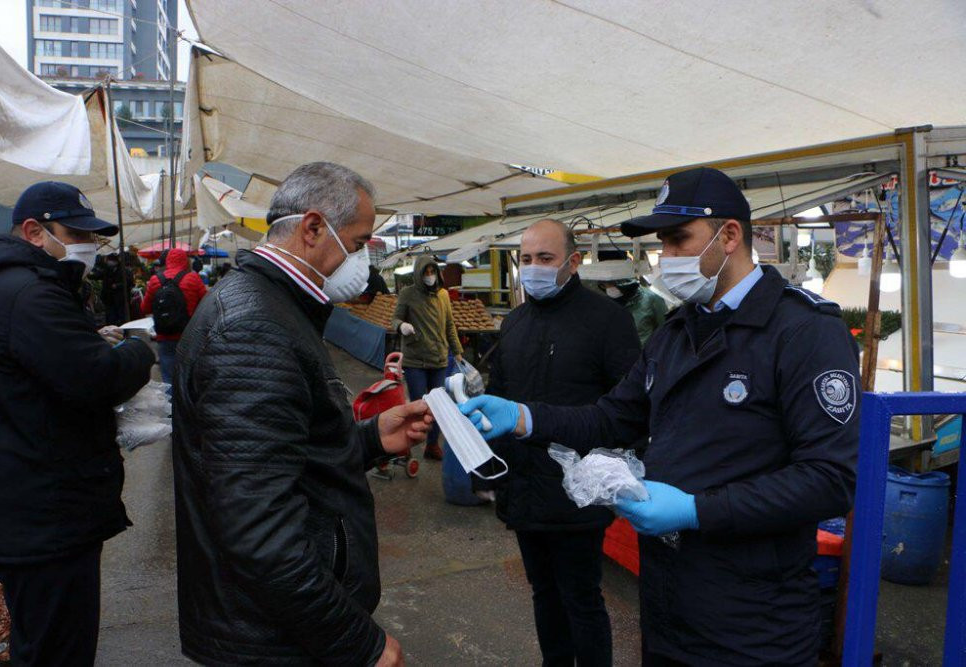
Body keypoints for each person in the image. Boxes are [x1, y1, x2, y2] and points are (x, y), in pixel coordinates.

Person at [463, 167, 860, 666]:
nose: (666, 259)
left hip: (756, 619)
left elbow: (828, 480)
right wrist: (523, 417)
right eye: (663, 245)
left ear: (730, 235)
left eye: (678, 241)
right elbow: (611, 419)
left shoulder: (803, 333)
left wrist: (697, 510)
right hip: (670, 604)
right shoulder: (678, 333)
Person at [171, 162, 432, 666]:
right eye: (357, 245)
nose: (360, 262)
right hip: (270, 638)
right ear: (313, 228)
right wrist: (359, 644)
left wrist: (373, 437)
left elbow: (286, 459)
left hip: (272, 625)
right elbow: (260, 533)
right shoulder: (253, 328)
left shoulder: (274, 308)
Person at [0, 181, 155, 666]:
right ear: (34, 231)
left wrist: (92, 337)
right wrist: (137, 349)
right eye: (78, 234)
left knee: (40, 642)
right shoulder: (29, 292)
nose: (89, 247)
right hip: (43, 516)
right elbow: (97, 377)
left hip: (25, 504)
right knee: (57, 651)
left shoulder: (10, 286)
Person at [487, 219, 640, 666]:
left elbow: (628, 411)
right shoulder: (515, 322)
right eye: (526, 259)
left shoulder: (608, 321)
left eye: (545, 258)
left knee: (581, 597)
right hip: (524, 488)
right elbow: (500, 396)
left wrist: (613, 478)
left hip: (577, 493)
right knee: (543, 593)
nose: (533, 268)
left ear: (574, 262)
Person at [392, 255, 464, 461]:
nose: (430, 276)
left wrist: (457, 352)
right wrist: (401, 326)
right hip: (415, 361)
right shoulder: (407, 294)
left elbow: (450, 325)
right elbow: (394, 319)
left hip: (439, 359)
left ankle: (432, 445)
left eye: (433, 272)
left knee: (438, 407)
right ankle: (405, 446)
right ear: (418, 273)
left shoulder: (443, 295)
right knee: (417, 405)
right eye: (426, 273)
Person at [141, 247, 207, 385]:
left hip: (165, 336)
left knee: (168, 379)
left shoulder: (155, 280)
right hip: (190, 335)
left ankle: (171, 405)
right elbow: (207, 305)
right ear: (185, 261)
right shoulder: (193, 278)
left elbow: (144, 308)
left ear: (167, 261)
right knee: (190, 377)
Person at [599, 275, 669, 346]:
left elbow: (666, 331)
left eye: (610, 283)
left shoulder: (651, 298)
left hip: (649, 353)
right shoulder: (607, 305)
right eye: (604, 285)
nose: (608, 288)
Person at [90, 252, 132, 325]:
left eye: (112, 260)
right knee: (110, 318)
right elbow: (97, 276)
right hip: (109, 299)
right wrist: (88, 274)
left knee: (121, 318)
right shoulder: (107, 270)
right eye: (109, 260)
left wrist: (117, 285)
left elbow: (130, 283)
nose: (110, 262)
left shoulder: (124, 270)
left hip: (120, 299)